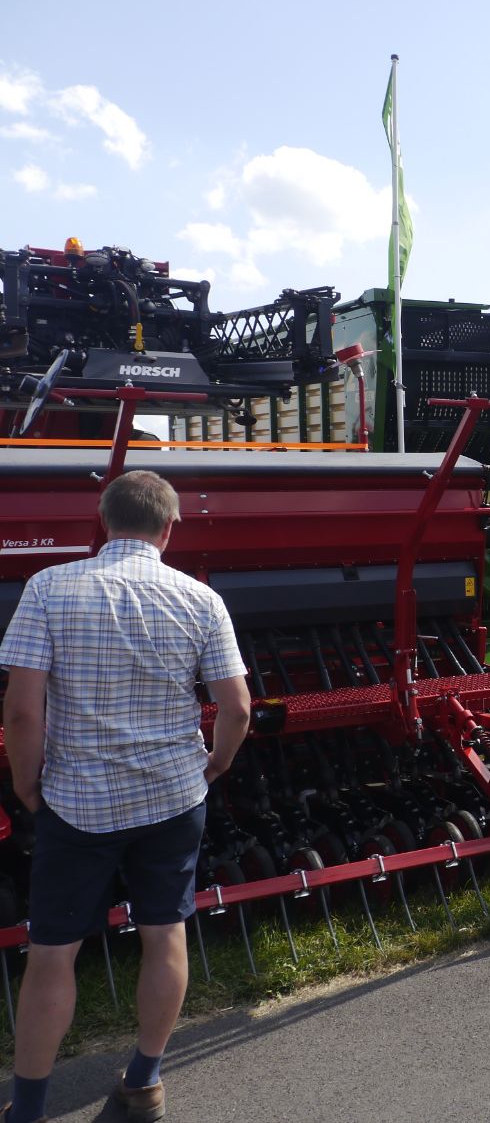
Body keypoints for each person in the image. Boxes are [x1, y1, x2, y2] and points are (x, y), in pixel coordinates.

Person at [0, 470, 251, 1123]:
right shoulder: (200, 600)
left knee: (53, 953)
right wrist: (215, 765)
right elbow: (237, 708)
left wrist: (26, 783)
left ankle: (27, 1110)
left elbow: (22, 711)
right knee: (164, 933)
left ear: (104, 521)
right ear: (169, 528)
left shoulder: (48, 588)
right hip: (173, 797)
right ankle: (143, 1083)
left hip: (76, 802)